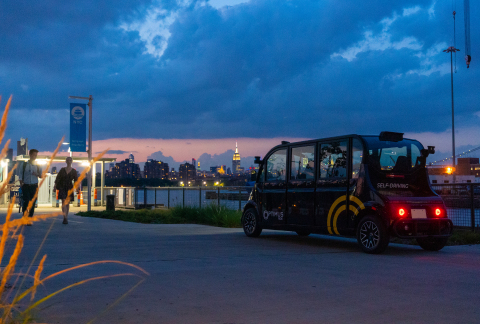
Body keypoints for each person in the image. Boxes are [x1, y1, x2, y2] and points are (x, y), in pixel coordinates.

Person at [19, 149, 42, 220]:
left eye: (36, 155)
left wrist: (37, 174)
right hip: (26, 185)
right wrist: (21, 185)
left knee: (33, 202)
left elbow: (41, 175)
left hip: (34, 186)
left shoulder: (38, 165)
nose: (35, 156)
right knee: (26, 201)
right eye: (33, 155)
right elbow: (20, 175)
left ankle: (30, 217)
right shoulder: (24, 164)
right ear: (30, 155)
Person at [54, 157, 78, 224]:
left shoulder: (74, 171)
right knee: (63, 201)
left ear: (71, 161)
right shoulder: (62, 170)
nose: (69, 161)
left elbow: (76, 180)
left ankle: (66, 217)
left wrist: (77, 188)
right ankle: (64, 217)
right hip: (62, 186)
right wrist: (55, 186)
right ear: (66, 161)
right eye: (67, 160)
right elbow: (57, 178)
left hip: (69, 187)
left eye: (70, 160)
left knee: (67, 203)